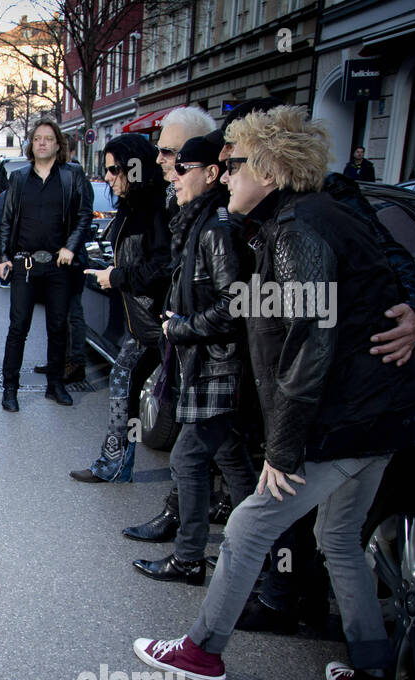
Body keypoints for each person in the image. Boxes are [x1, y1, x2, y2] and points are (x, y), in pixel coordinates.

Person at [133, 107, 415, 680]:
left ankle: (202, 650)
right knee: (339, 539)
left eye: (234, 166)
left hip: (345, 420)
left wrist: (284, 450)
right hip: (383, 415)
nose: (225, 177)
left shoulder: (297, 228)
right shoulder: (302, 220)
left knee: (246, 526)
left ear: (268, 169)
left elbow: (309, 343)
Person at [130, 135, 255, 586]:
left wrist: (179, 326)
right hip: (205, 360)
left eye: (184, 169)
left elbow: (232, 306)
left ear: (211, 173)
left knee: (187, 458)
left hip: (216, 363)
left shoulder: (215, 228)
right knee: (233, 459)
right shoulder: (198, 220)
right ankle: (248, 556)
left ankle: (190, 559)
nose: (175, 176)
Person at [70, 133, 171, 482]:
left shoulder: (157, 208)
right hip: (142, 324)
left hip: (159, 324)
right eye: (106, 169)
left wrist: (118, 277)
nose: (109, 177)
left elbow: (164, 267)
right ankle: (115, 465)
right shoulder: (133, 206)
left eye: (114, 169)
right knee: (123, 385)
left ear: (135, 167)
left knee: (199, 416)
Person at [0, 117, 93, 410]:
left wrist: (71, 247)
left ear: (57, 144)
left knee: (57, 327)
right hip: (24, 264)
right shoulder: (20, 178)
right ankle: (10, 388)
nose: (41, 143)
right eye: (37, 138)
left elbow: (84, 215)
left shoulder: (72, 176)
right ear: (31, 144)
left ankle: (55, 385)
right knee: (18, 328)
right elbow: (7, 219)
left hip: (58, 265)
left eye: (48, 139)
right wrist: (3, 257)